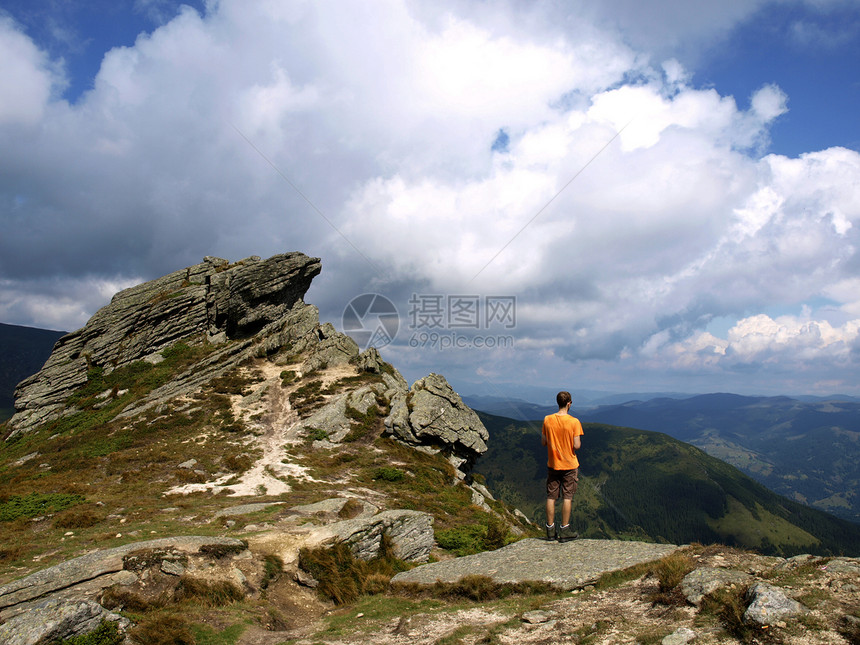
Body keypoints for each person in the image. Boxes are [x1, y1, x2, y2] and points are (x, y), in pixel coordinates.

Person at [542, 391, 583, 542]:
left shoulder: (547, 419)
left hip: (553, 464)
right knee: (568, 497)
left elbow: (544, 442)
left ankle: (550, 530)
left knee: (551, 496)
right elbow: (577, 445)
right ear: (569, 403)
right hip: (569, 465)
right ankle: (565, 530)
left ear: (557, 402)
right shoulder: (574, 422)